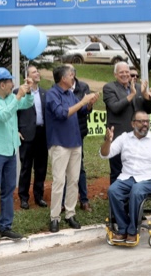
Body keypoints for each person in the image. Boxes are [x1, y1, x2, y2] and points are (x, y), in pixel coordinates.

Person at [101, 110, 151, 244]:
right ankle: (123, 229)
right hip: (127, 177)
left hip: (150, 179)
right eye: (141, 121)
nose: (145, 124)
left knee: (136, 191)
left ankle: (132, 231)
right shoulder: (124, 138)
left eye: (147, 121)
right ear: (133, 123)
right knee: (113, 190)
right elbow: (105, 154)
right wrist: (108, 140)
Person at [0, 67, 33, 247]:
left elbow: (27, 104)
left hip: (11, 149)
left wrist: (29, 91)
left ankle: (5, 227)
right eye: (10, 81)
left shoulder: (10, 97)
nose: (13, 84)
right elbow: (3, 116)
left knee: (9, 189)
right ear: (2, 84)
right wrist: (17, 97)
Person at [45, 64, 99, 233]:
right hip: (60, 143)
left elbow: (82, 111)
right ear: (63, 78)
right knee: (59, 181)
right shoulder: (52, 94)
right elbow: (62, 114)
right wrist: (82, 101)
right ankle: (54, 217)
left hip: (75, 142)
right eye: (71, 74)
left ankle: (70, 213)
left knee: (74, 180)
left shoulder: (69, 93)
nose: (73, 77)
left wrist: (89, 104)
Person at [103, 61, 151, 183]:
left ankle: (133, 199)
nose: (125, 74)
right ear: (115, 74)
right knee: (117, 171)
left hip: (137, 137)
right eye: (121, 72)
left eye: (127, 72)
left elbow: (149, 109)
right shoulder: (109, 88)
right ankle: (117, 200)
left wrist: (147, 98)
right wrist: (132, 95)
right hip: (118, 137)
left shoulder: (138, 87)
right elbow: (115, 107)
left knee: (136, 170)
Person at [17, 64, 48, 210]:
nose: (37, 73)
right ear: (27, 76)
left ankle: (39, 196)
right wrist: (16, 130)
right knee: (26, 167)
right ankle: (24, 198)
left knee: (41, 167)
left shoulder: (44, 93)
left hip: (42, 134)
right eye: (34, 72)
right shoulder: (20, 91)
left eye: (37, 71)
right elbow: (14, 112)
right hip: (26, 134)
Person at [70, 70, 94, 211]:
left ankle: (84, 199)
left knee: (80, 166)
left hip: (79, 131)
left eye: (72, 72)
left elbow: (85, 110)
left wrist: (89, 105)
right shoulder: (60, 88)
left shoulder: (83, 86)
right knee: (65, 169)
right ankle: (64, 202)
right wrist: (81, 104)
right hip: (64, 133)